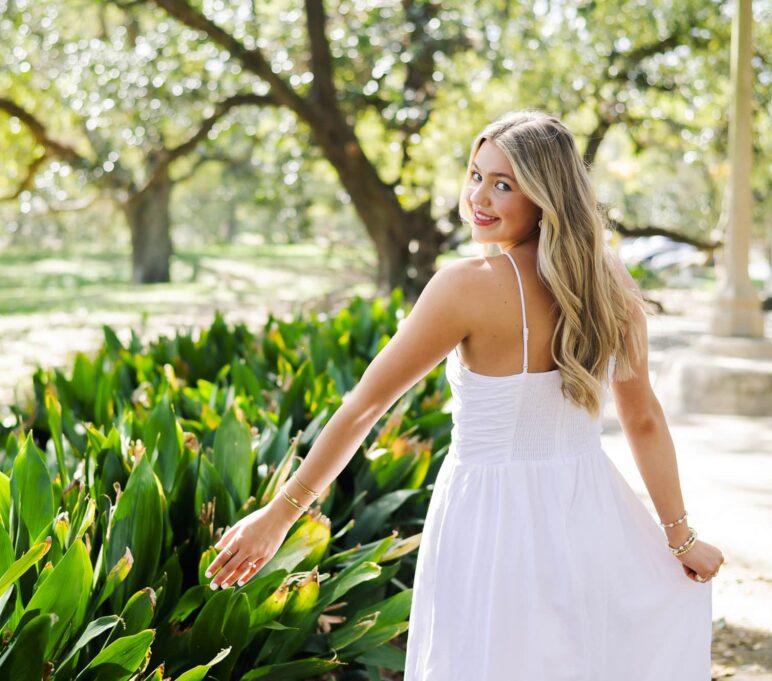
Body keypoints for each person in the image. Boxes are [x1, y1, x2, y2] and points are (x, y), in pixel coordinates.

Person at [204, 110, 725, 679]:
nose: (479, 196)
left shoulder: (465, 287)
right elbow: (642, 418)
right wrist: (680, 539)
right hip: (589, 508)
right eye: (476, 175)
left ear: (547, 197)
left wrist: (282, 513)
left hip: (490, 521)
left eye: (504, 185)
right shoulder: (610, 284)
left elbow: (366, 407)